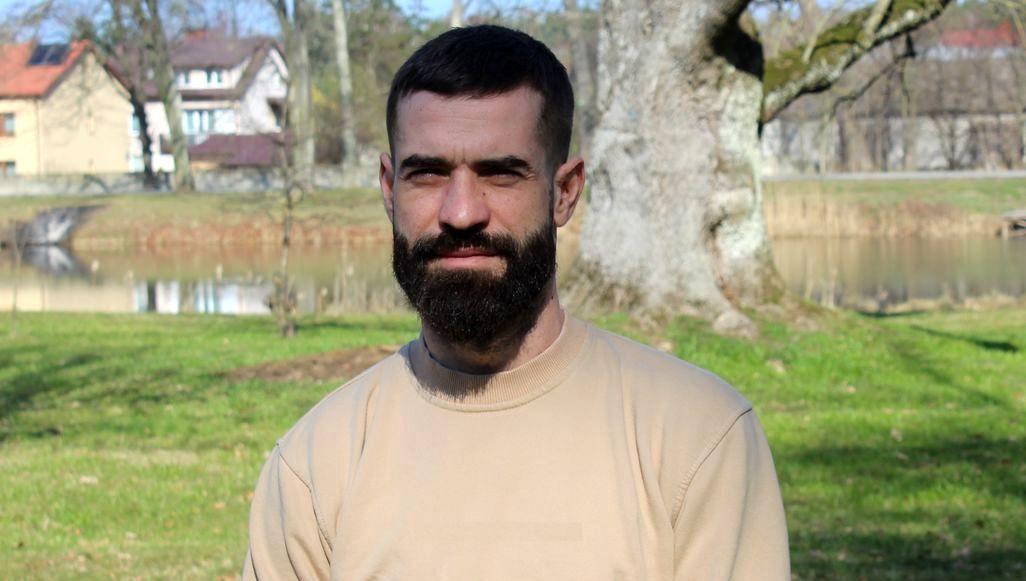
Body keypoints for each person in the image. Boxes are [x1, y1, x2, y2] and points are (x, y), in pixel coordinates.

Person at [243, 24, 789, 580]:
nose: (461, 213)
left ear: (565, 192)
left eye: (501, 174)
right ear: (389, 189)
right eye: (427, 173)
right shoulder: (314, 467)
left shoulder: (697, 438)